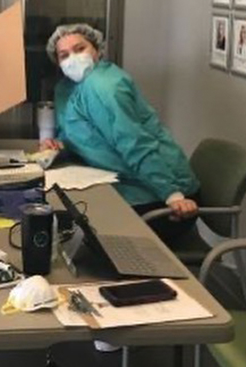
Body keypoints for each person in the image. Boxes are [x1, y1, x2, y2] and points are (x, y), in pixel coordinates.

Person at [41, 24, 200, 244]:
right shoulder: (66, 89)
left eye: (80, 49)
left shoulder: (106, 86)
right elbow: (80, 135)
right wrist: (59, 145)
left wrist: (173, 196)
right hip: (121, 183)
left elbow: (135, 143)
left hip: (159, 195)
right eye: (64, 55)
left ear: (97, 49)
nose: (73, 58)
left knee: (82, 237)